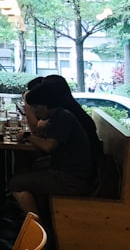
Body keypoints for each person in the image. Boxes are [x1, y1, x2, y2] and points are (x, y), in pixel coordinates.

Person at [7, 81, 94, 217]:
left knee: (15, 184)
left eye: (35, 107)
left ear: (45, 105)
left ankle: (37, 228)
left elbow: (48, 146)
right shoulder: (59, 115)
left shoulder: (63, 117)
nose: (34, 111)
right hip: (71, 173)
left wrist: (26, 136)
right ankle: (42, 217)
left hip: (73, 179)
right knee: (31, 169)